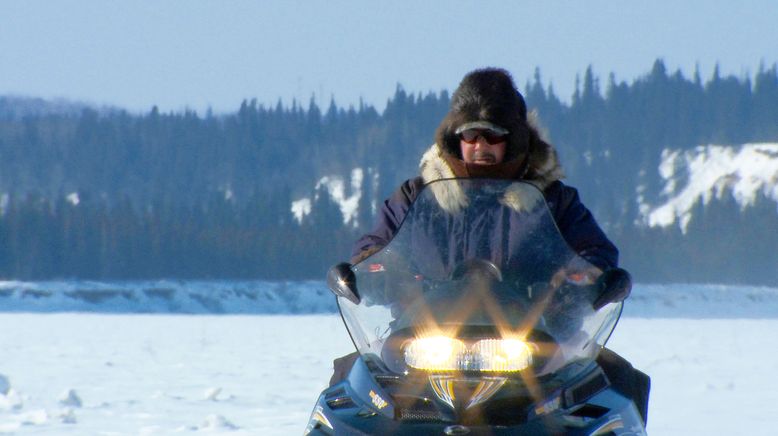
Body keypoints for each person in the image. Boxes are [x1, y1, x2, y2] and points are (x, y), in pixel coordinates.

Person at [332, 67, 649, 424]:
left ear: (512, 139)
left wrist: (584, 280)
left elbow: (594, 253)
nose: (480, 146)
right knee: (348, 385)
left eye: (492, 136)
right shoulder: (416, 196)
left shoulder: (553, 199)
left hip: (532, 341)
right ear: (456, 139)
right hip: (423, 337)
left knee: (616, 383)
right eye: (471, 135)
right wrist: (372, 271)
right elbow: (377, 246)